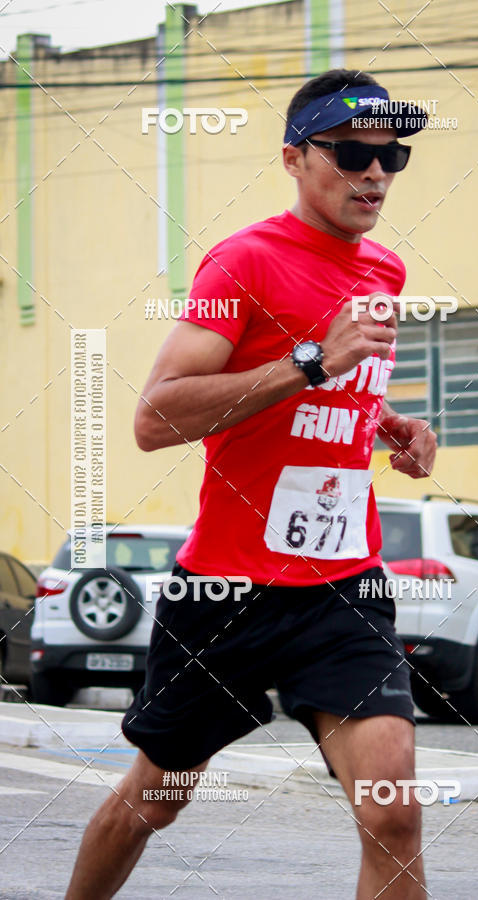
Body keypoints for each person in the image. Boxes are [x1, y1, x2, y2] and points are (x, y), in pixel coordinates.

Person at [66, 68, 436, 899]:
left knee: (394, 807)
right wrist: (309, 362)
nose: (374, 172)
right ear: (295, 158)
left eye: (393, 156)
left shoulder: (385, 272)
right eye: (351, 152)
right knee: (155, 799)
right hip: (228, 591)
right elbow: (155, 418)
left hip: (343, 587)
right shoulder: (243, 264)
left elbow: (328, 398)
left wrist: (389, 428)